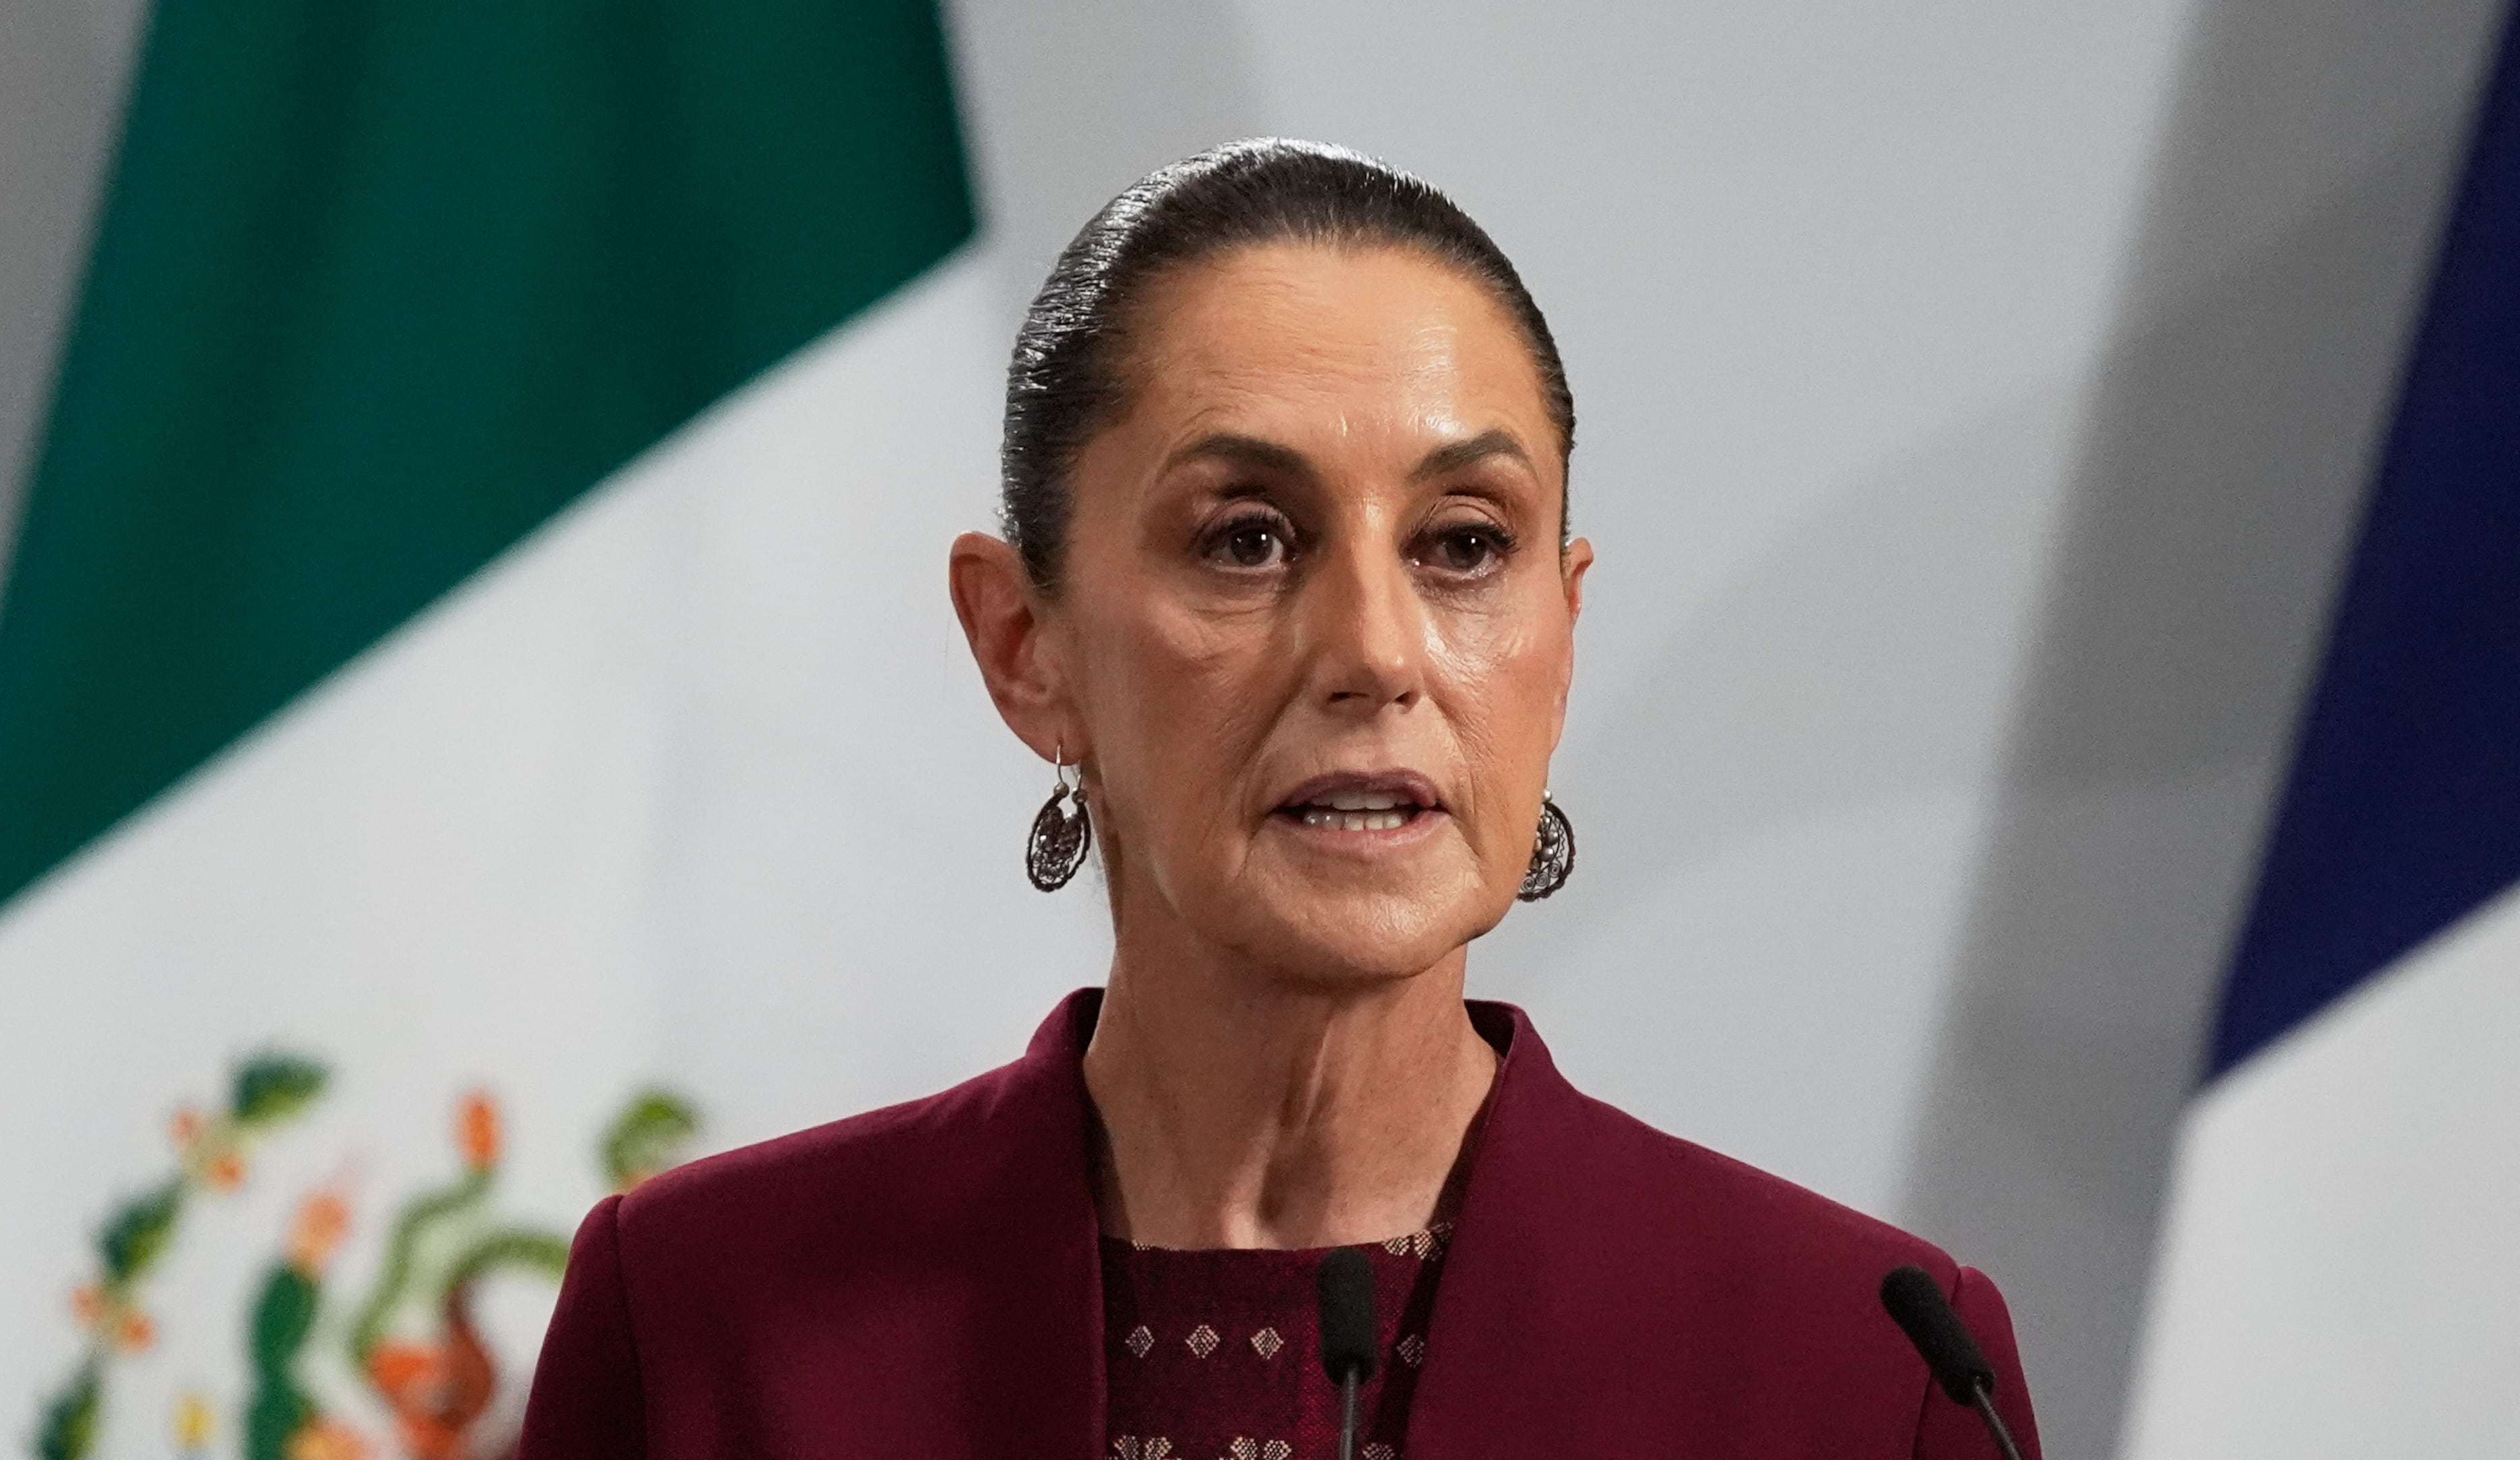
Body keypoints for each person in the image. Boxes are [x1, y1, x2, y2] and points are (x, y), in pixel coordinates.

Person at [518, 139, 2038, 1459]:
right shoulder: (704, 1322)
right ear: (1023, 644)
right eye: (1246, 539)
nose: (1377, 653)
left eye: (1462, 544)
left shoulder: (1868, 1369)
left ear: (1563, 633)